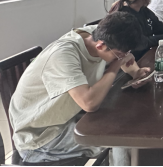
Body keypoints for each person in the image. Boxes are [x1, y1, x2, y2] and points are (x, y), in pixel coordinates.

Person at [9, 13, 152, 165]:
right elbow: (89, 104)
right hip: (40, 138)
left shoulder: (99, 34)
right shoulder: (63, 55)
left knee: (125, 120)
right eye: (118, 55)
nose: (122, 57)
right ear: (100, 46)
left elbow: (125, 57)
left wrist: (135, 72)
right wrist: (115, 66)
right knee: (121, 136)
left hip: (67, 117)